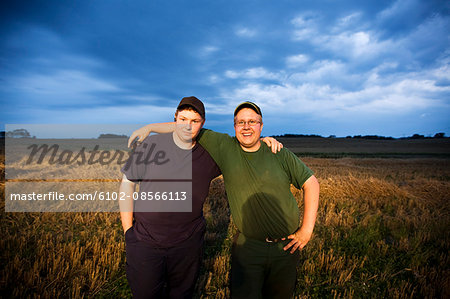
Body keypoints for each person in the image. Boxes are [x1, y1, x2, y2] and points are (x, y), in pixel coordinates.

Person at [130, 101, 320, 299]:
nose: (246, 127)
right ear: (235, 127)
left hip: (286, 247)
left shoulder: (278, 153)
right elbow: (187, 125)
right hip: (249, 247)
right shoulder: (226, 148)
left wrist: (306, 231)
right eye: (241, 122)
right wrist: (149, 127)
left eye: (252, 122)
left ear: (261, 126)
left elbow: (311, 183)